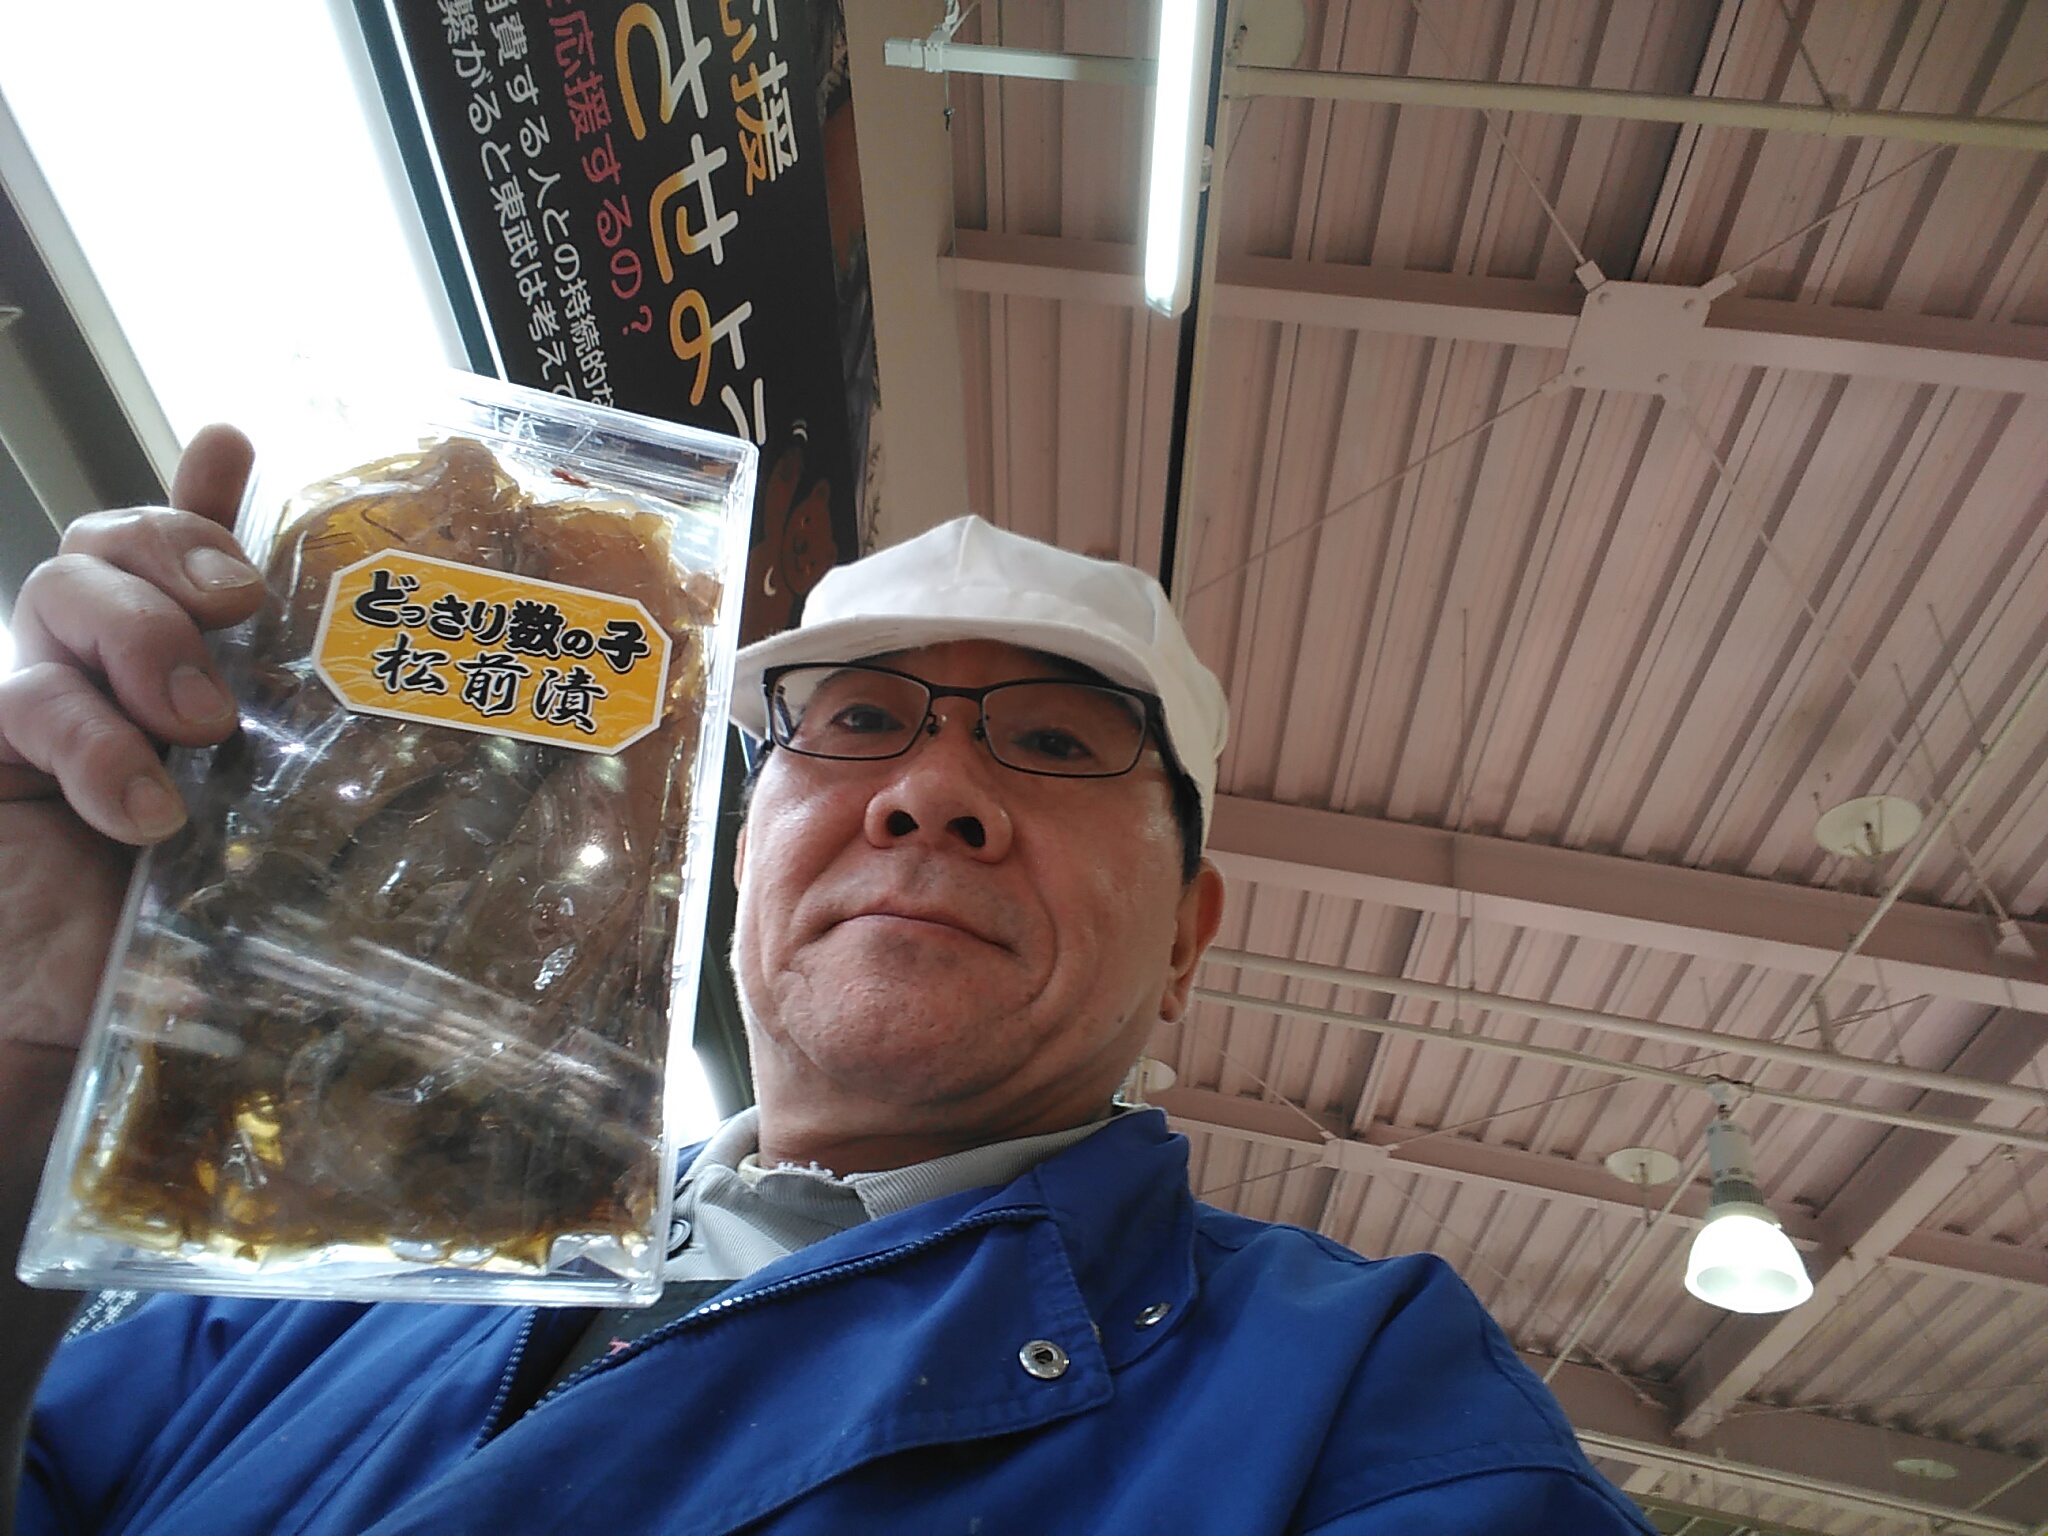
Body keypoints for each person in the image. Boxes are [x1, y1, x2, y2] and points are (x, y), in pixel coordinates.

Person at [0, 427, 1653, 1535]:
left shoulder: (1358, 1399)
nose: (930, 794)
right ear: (733, 862)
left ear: (1185, 940)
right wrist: (21, 1072)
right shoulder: (351, 1248)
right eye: (858, 722)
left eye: (1056, 742)